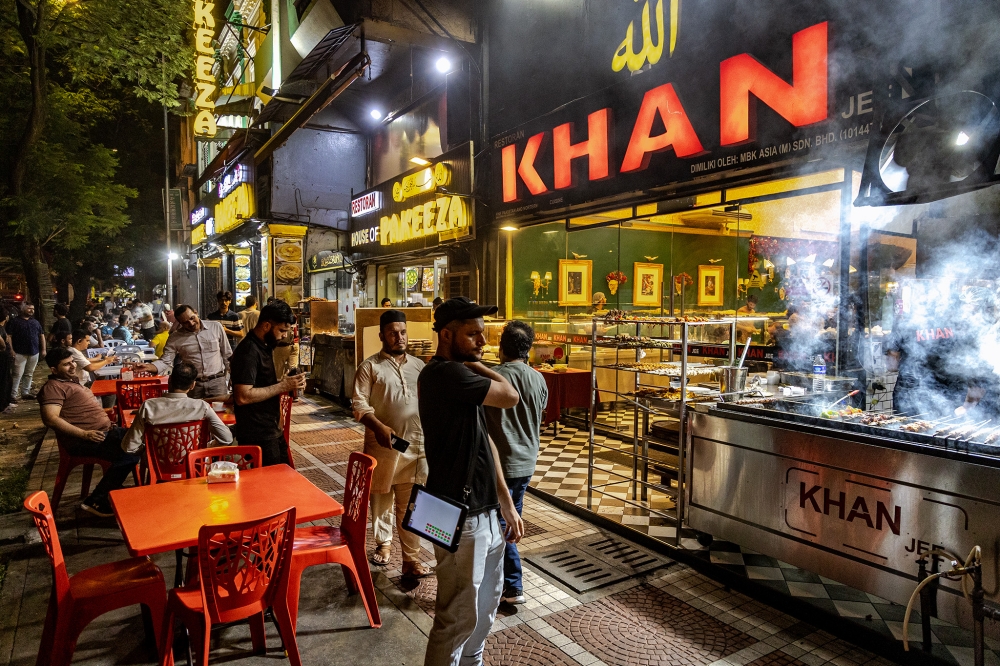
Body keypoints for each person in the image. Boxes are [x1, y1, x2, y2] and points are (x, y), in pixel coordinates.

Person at [418, 297, 523, 666]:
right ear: (446, 335)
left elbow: (485, 441)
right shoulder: (446, 374)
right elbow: (511, 396)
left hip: (486, 512)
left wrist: (506, 503)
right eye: (473, 334)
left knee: (486, 605)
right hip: (461, 516)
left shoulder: (460, 377)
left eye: (484, 334)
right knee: (457, 615)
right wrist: (475, 364)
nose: (482, 341)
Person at [352, 310, 430, 577]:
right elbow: (359, 405)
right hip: (384, 447)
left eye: (403, 332)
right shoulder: (370, 367)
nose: (399, 337)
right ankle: (384, 544)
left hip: (416, 448)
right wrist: (379, 427)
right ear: (382, 336)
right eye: (393, 333)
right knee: (381, 500)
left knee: (411, 506)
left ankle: (411, 559)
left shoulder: (419, 366)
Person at [483, 321, 548, 606]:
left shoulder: (494, 377)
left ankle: (511, 585)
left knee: (499, 525)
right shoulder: (539, 379)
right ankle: (508, 585)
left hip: (501, 465)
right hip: (527, 462)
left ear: (501, 346)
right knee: (510, 520)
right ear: (529, 349)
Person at [38, 347, 141, 517]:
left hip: (104, 433)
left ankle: (115, 487)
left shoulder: (69, 381)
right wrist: (84, 434)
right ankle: (97, 499)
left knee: (142, 439)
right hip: (85, 440)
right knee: (132, 450)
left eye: (72, 362)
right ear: (54, 370)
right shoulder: (53, 387)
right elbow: (50, 419)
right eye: (66, 364)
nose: (72, 366)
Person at [230, 301, 306, 465]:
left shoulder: (265, 346)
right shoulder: (249, 351)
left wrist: (289, 383)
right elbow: (242, 396)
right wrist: (283, 386)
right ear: (266, 325)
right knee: (270, 484)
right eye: (282, 330)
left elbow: (260, 384)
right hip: (257, 434)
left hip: (271, 429)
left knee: (284, 476)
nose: (284, 335)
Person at [121, 361, 233, 454]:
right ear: (193, 385)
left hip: (157, 465)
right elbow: (227, 439)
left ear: (169, 380)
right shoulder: (202, 407)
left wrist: (150, 450)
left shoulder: (148, 406)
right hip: (194, 465)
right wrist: (206, 446)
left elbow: (129, 447)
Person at [145, 305, 231, 399]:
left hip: (217, 382)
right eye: (185, 322)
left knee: (220, 412)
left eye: (192, 318)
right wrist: (149, 367)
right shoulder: (175, 337)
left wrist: (234, 376)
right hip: (192, 384)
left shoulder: (216, 327)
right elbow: (165, 361)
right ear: (180, 323)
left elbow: (227, 355)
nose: (191, 323)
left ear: (195, 312)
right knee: (193, 412)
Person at [9, 303, 45, 402]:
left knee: (29, 373)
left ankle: (25, 392)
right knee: (17, 374)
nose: (31, 310)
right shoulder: (15, 322)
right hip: (19, 352)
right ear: (23, 308)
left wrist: (43, 349)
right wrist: (11, 350)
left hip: (34, 351)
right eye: (29, 308)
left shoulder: (35, 322)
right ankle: (13, 394)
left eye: (33, 309)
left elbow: (41, 335)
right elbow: (9, 336)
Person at [0, 310, 14, 413]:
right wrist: (4, 346)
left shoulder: (2, 328)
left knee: (7, 379)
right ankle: (3, 405)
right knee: (3, 380)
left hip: (4, 358)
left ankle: (5, 402)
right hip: (2, 358)